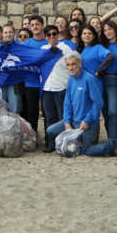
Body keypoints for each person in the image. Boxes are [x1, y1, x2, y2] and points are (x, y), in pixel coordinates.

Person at [45, 53, 117, 156]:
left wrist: (87, 121)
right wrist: (66, 122)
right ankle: (77, 142)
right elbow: (67, 102)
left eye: (73, 64)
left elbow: (98, 103)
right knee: (50, 131)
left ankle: (112, 144)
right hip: (73, 121)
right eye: (68, 65)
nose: (71, 67)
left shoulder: (89, 79)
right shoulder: (70, 79)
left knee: (85, 151)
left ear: (80, 63)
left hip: (88, 123)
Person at [40, 24, 73, 152]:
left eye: (54, 33)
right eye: (49, 34)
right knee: (49, 118)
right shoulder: (43, 49)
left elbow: (73, 65)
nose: (52, 36)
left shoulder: (66, 48)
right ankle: (51, 144)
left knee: (62, 118)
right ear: (46, 37)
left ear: (58, 34)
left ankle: (64, 144)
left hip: (62, 88)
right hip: (47, 88)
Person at [17, 15, 47, 132]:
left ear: (42, 26)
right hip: (31, 83)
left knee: (47, 113)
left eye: (37, 24)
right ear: (29, 27)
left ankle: (48, 139)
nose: (35, 27)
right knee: (32, 113)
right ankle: (33, 138)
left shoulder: (49, 42)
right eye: (32, 25)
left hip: (47, 84)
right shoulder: (26, 44)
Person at [99, 20, 117, 146]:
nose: (107, 32)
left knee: (113, 111)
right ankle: (112, 141)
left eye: (110, 29)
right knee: (105, 112)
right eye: (105, 30)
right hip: (100, 79)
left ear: (115, 29)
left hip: (114, 79)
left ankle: (115, 140)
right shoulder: (102, 45)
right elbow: (96, 22)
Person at [0, 24, 20, 112]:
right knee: (1, 110)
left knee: (14, 108)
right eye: (6, 32)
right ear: (2, 34)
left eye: (10, 32)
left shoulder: (20, 48)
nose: (8, 34)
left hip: (14, 83)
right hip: (1, 83)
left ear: (14, 33)